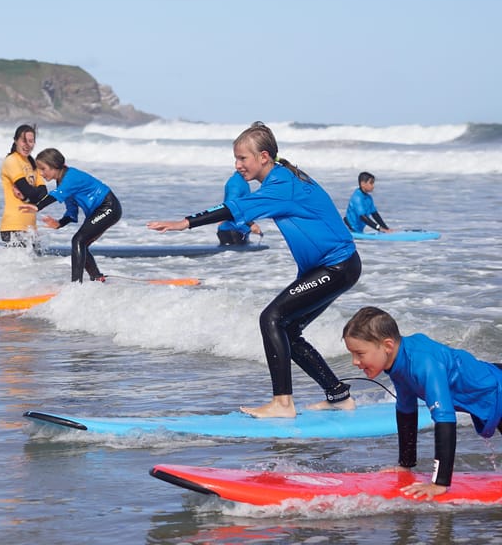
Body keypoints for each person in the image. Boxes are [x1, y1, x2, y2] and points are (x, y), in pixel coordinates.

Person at [147, 121, 360, 418]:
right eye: (235, 158)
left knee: (271, 318)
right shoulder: (281, 180)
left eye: (242, 158)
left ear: (263, 157)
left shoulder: (282, 185)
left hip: (336, 266)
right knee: (288, 329)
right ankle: (338, 395)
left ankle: (282, 403)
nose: (237, 165)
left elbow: (235, 209)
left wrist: (185, 222)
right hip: (335, 266)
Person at [342, 306, 502, 500]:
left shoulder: (423, 362)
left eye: (360, 354)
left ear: (387, 345)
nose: (354, 362)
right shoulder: (398, 362)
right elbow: (406, 409)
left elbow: (445, 419)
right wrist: (405, 465)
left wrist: (439, 483)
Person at [19, 148, 121, 282]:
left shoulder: (71, 177)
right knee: (81, 242)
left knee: (78, 240)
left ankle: (76, 284)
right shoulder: (62, 181)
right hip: (100, 210)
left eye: (43, 169)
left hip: (109, 207)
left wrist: (37, 206)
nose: (41, 173)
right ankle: (96, 277)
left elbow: (55, 195)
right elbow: (72, 209)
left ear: (55, 166)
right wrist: (60, 223)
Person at [0, 124, 47, 245]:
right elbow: (29, 191)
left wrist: (26, 197)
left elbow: (44, 194)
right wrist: (30, 194)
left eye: (31, 141)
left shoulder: (32, 163)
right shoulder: (11, 161)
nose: (27, 144)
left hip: (30, 228)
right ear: (16, 141)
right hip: (13, 226)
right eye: (23, 140)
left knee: (35, 264)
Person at [216, 171, 262, 245]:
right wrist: (251, 224)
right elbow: (232, 207)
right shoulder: (237, 183)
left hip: (237, 230)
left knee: (239, 255)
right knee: (235, 255)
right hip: (233, 231)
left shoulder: (240, 181)